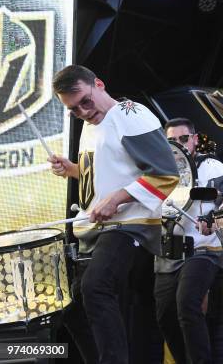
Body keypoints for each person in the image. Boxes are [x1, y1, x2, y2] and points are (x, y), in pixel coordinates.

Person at [49, 65, 179, 364]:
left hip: (128, 225)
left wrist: (117, 199)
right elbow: (110, 172)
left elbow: (166, 174)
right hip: (98, 230)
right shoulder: (91, 123)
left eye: (85, 100)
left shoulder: (131, 114)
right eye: (73, 108)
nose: (82, 110)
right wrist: (72, 170)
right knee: (74, 306)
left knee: (96, 287)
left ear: (99, 84)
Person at [154, 117, 223, 364]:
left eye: (184, 139)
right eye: (172, 141)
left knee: (187, 304)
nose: (179, 145)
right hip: (168, 252)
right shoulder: (158, 172)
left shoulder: (211, 167)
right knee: (165, 316)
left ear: (194, 139)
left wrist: (215, 216)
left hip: (204, 248)